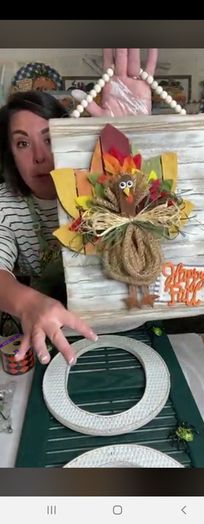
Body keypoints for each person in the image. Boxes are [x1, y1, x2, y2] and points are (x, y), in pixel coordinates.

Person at [0, 48, 158, 366]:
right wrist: (27, 302)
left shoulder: (103, 177)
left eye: (49, 137)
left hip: (131, 329)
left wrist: (132, 138)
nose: (40, 156)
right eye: (22, 143)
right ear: (10, 154)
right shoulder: (7, 204)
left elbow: (150, 225)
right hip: (50, 338)